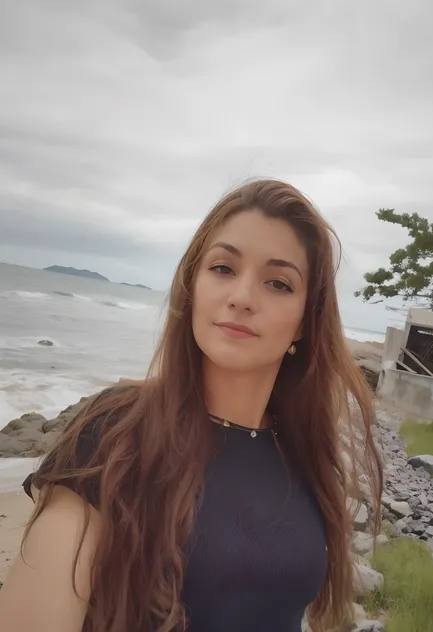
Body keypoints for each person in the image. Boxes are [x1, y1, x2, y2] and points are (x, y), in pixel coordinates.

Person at [1, 179, 382, 632]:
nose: (241, 297)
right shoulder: (115, 433)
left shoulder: (301, 452)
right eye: (222, 268)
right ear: (192, 286)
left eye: (278, 283)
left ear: (305, 321)